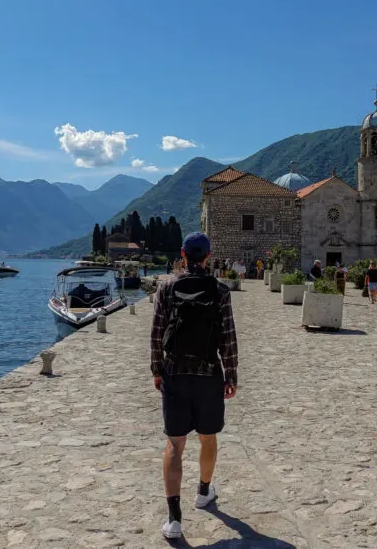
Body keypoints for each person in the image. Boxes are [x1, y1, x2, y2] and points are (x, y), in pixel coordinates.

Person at [151, 232, 238, 541]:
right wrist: (231, 375)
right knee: (208, 438)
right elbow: (228, 336)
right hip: (208, 374)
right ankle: (203, 492)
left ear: (182, 254)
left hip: (175, 372)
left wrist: (157, 370)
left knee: (175, 444)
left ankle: (174, 519)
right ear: (209, 254)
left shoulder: (167, 287)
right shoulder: (220, 290)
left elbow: (157, 332)